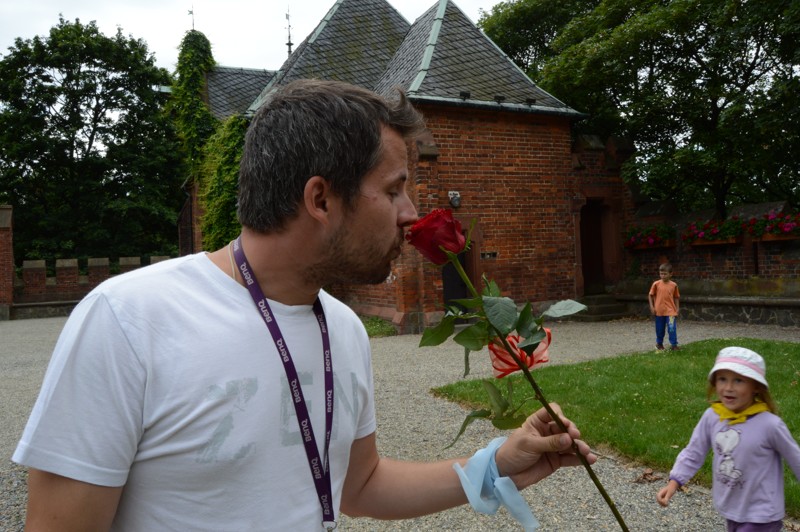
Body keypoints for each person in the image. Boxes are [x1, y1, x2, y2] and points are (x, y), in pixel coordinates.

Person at [13, 79, 595, 531]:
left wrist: (495, 463)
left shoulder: (342, 329)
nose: (411, 213)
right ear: (320, 198)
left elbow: (358, 484)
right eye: (393, 188)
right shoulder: (129, 318)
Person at [656, 347, 800, 531]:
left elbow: (796, 459)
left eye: (739, 380)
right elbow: (694, 451)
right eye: (722, 379)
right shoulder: (712, 417)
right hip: (732, 509)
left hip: (762, 514)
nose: (729, 387)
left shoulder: (770, 425)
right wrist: (674, 482)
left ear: (756, 386)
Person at [648, 262, 680, 351]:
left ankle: (674, 345)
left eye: (665, 274)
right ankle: (659, 344)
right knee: (659, 329)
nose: (663, 276)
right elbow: (650, 295)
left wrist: (677, 308)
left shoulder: (674, 285)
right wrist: (652, 306)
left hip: (670, 312)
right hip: (659, 311)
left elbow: (676, 297)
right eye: (661, 274)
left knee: (671, 328)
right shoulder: (656, 284)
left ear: (671, 274)